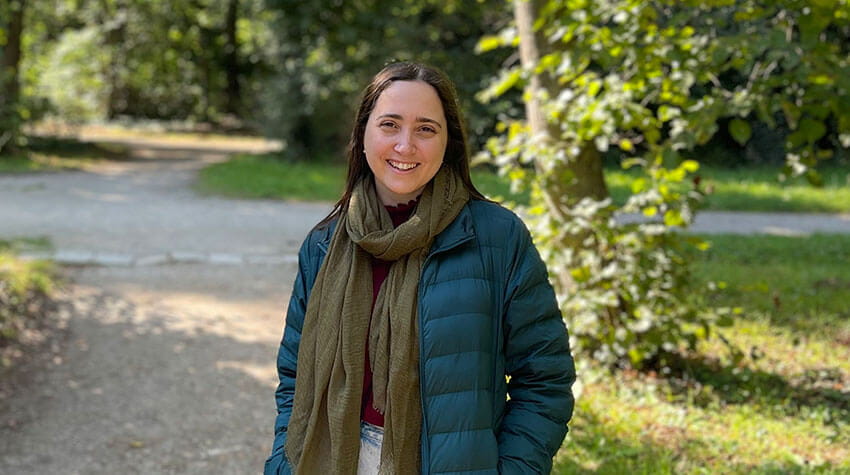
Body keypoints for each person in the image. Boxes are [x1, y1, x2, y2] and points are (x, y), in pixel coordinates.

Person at [263, 61, 576, 475]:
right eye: (389, 124)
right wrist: (284, 461)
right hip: (329, 459)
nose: (405, 146)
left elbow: (545, 380)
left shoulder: (497, 238)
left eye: (426, 128)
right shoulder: (324, 245)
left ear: (449, 141)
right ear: (362, 135)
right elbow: (294, 377)